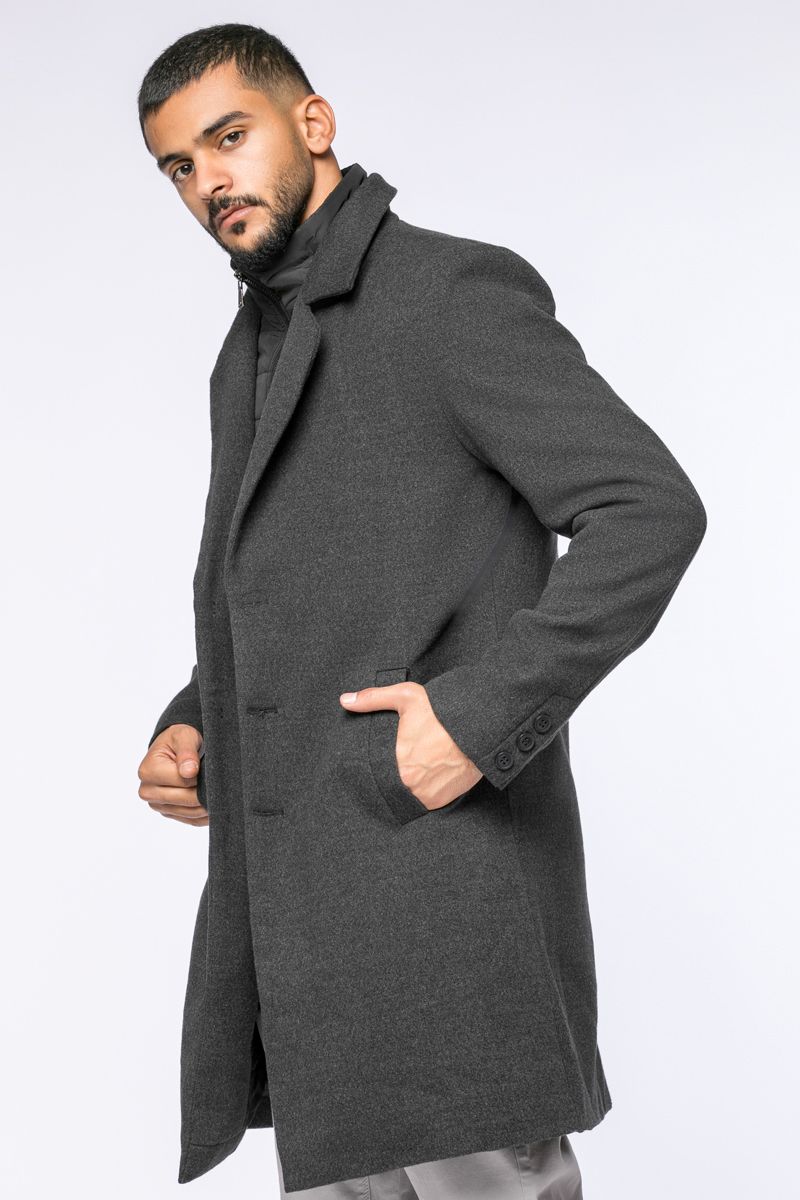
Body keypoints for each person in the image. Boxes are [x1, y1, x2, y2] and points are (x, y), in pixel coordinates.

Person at [136, 23, 706, 1199]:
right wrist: (196, 719)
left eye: (228, 138)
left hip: (446, 914)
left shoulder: (447, 292)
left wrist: (475, 719)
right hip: (308, 944)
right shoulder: (251, 347)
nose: (208, 183)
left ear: (312, 123)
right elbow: (298, 586)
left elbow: (646, 509)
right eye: (179, 166)